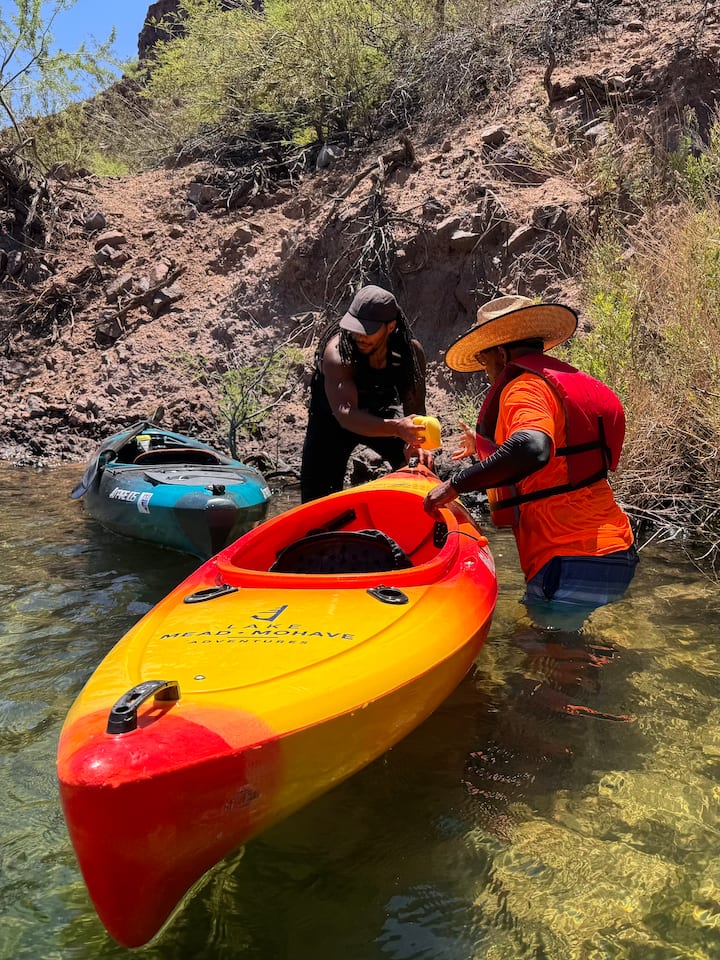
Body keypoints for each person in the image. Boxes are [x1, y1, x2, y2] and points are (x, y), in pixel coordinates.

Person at [424, 294, 638, 630]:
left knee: (548, 662)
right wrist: (484, 448)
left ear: (501, 352)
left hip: (567, 555)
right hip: (616, 550)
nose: (485, 369)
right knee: (573, 654)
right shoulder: (568, 381)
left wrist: (455, 485)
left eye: (484, 358)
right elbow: (558, 450)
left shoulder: (523, 387)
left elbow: (533, 447)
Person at [300, 284, 431, 503]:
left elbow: (416, 409)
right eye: (354, 327)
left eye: (367, 330)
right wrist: (398, 428)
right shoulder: (338, 353)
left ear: (390, 327)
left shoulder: (409, 353)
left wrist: (416, 445)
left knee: (420, 464)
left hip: (380, 414)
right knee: (317, 499)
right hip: (332, 422)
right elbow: (346, 415)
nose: (358, 335)